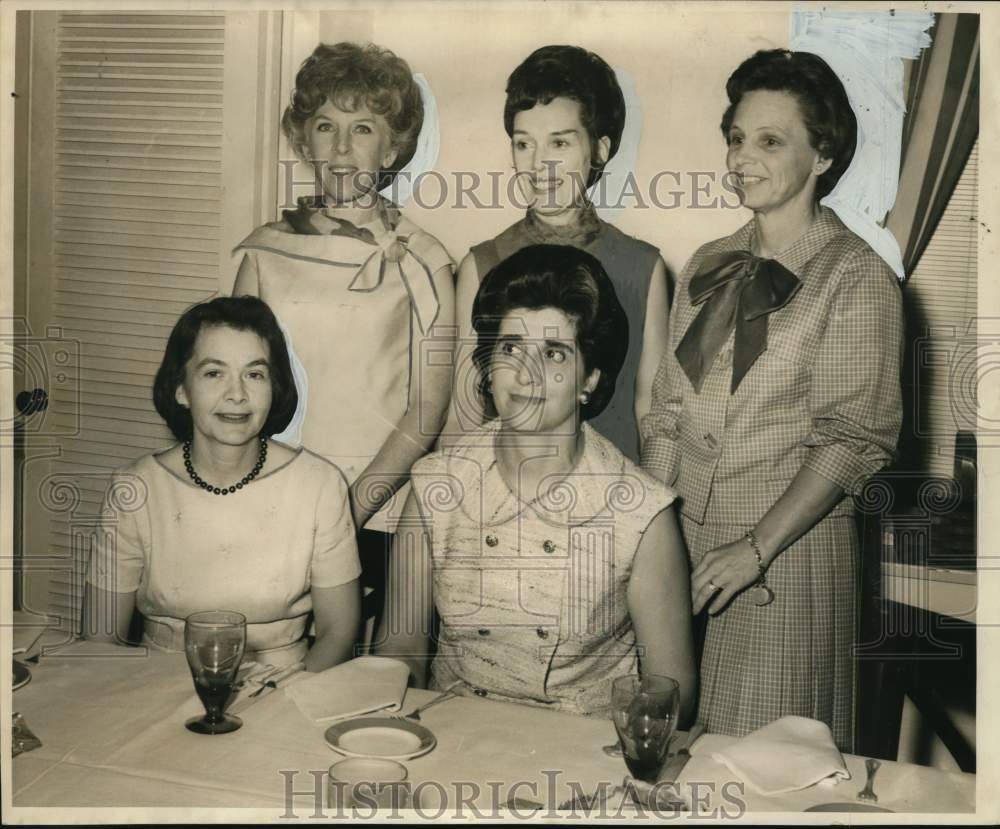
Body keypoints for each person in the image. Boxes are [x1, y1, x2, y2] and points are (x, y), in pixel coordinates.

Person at [640, 49, 904, 750]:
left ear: (823, 156)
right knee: (677, 767)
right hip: (684, 563)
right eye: (735, 137)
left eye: (770, 140)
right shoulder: (705, 261)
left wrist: (753, 548)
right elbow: (667, 411)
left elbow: (852, 440)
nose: (741, 158)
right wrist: (649, 538)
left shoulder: (857, 277)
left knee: (769, 776)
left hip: (783, 570)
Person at [378, 245, 695, 720]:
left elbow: (671, 692)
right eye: (509, 348)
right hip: (456, 740)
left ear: (589, 378)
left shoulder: (640, 511)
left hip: (582, 759)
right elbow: (399, 652)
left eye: (552, 352)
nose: (525, 373)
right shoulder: (434, 487)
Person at [231, 43, 455, 611]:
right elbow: (235, 393)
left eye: (362, 128)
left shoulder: (424, 259)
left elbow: (427, 412)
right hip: (273, 499)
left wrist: (348, 512)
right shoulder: (262, 251)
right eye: (325, 125)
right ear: (304, 139)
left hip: (379, 514)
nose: (340, 147)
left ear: (393, 145)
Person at [83, 296, 361, 671]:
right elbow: (101, 639)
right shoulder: (134, 490)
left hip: (285, 691)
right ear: (181, 389)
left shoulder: (320, 485)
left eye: (255, 374)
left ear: (273, 388)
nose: (237, 394)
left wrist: (288, 697)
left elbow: (338, 634)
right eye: (214, 373)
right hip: (153, 691)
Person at [448, 45, 669, 464]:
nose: (539, 165)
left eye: (560, 143)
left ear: (600, 150)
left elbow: (653, 416)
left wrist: (648, 511)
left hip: (611, 498)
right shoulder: (481, 264)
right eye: (524, 144)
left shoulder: (642, 267)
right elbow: (466, 413)